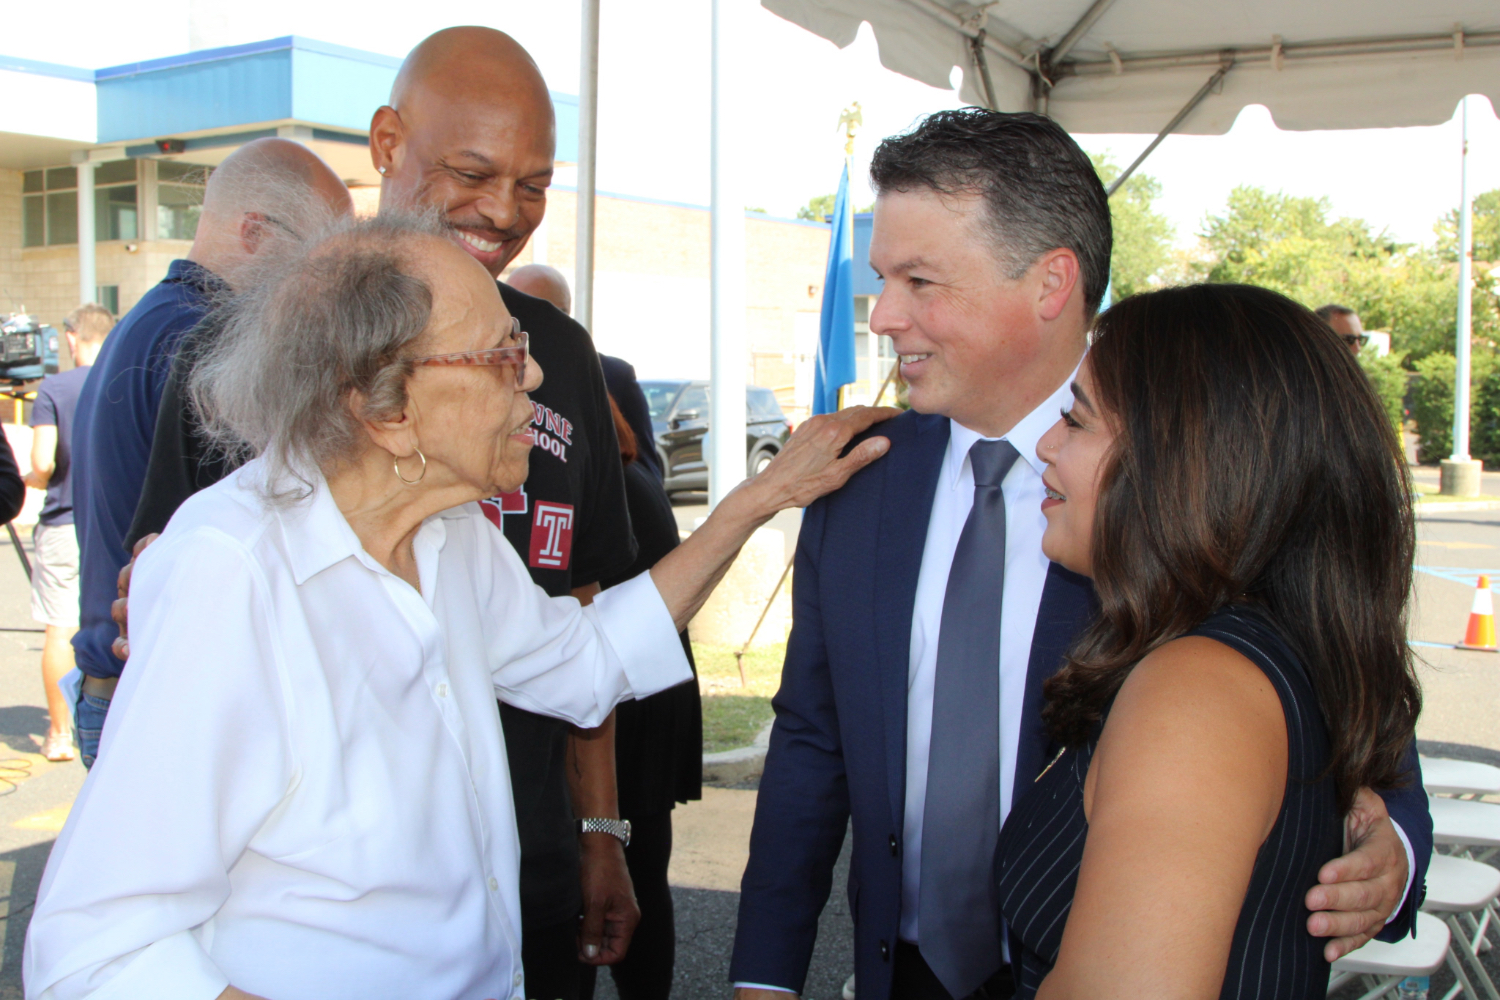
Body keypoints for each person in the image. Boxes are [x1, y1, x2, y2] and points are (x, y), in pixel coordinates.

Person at [22, 213, 893, 1000]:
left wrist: (757, 499)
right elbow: (98, 949)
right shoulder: (234, 573)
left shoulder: (451, 536)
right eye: (504, 357)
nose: (539, 374)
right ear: (384, 406)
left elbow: (586, 662)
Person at [729, 109, 1431, 1000]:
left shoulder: (1193, 491)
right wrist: (765, 977)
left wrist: (1393, 848)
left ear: (1050, 282)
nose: (887, 316)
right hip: (897, 970)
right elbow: (811, 740)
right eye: (882, 278)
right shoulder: (857, 479)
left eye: (919, 280)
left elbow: (1346, 691)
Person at [997, 283, 1421, 997]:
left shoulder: (1196, 691)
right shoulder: (1254, 648)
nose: (1044, 443)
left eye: (1077, 419)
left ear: (1183, 459)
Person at [370, 28, 645, 992]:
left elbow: (583, 611)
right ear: (387, 143)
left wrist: (600, 832)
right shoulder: (274, 352)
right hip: (356, 909)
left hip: (530, 870)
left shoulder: (561, 354)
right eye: (473, 172)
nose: (502, 212)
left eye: (533, 185)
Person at [69, 138, 354, 768]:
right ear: (254, 231)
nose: (328, 281)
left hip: (119, 686)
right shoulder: (210, 346)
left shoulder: (147, 320)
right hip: (164, 701)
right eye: (320, 253)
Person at [580, 395, 703, 999]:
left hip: (625, 700)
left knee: (618, 876)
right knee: (643, 870)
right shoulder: (633, 472)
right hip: (651, 692)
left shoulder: (604, 487)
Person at [24, 303, 113, 761]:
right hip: (113, 525)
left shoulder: (54, 388)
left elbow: (42, 463)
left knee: (61, 628)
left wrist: (31, 480)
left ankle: (59, 733)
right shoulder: (123, 376)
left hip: (63, 521)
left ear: (74, 338)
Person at [508, 263, 665, 483]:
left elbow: (645, 475)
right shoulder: (488, 369)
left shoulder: (611, 376)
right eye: (516, 313)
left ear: (565, 316)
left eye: (541, 313)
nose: (532, 325)